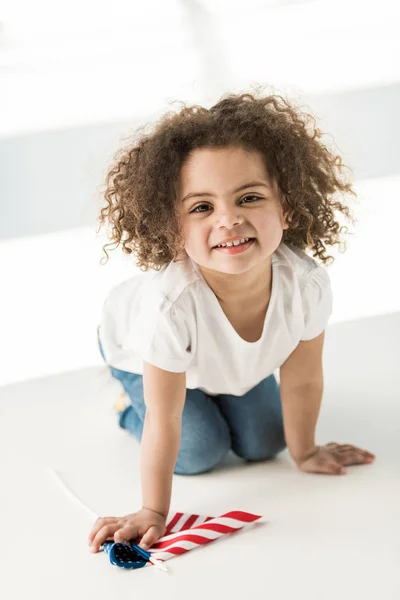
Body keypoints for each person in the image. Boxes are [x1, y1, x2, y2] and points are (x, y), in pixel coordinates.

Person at [88, 90, 376, 554]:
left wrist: (305, 451)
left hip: (220, 365)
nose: (229, 219)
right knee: (200, 451)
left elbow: (302, 379)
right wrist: (154, 512)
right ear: (172, 227)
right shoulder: (169, 308)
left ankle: (223, 399)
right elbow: (167, 416)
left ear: (287, 206)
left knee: (266, 443)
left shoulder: (305, 284)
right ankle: (123, 402)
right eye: (202, 207)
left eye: (249, 197)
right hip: (136, 351)